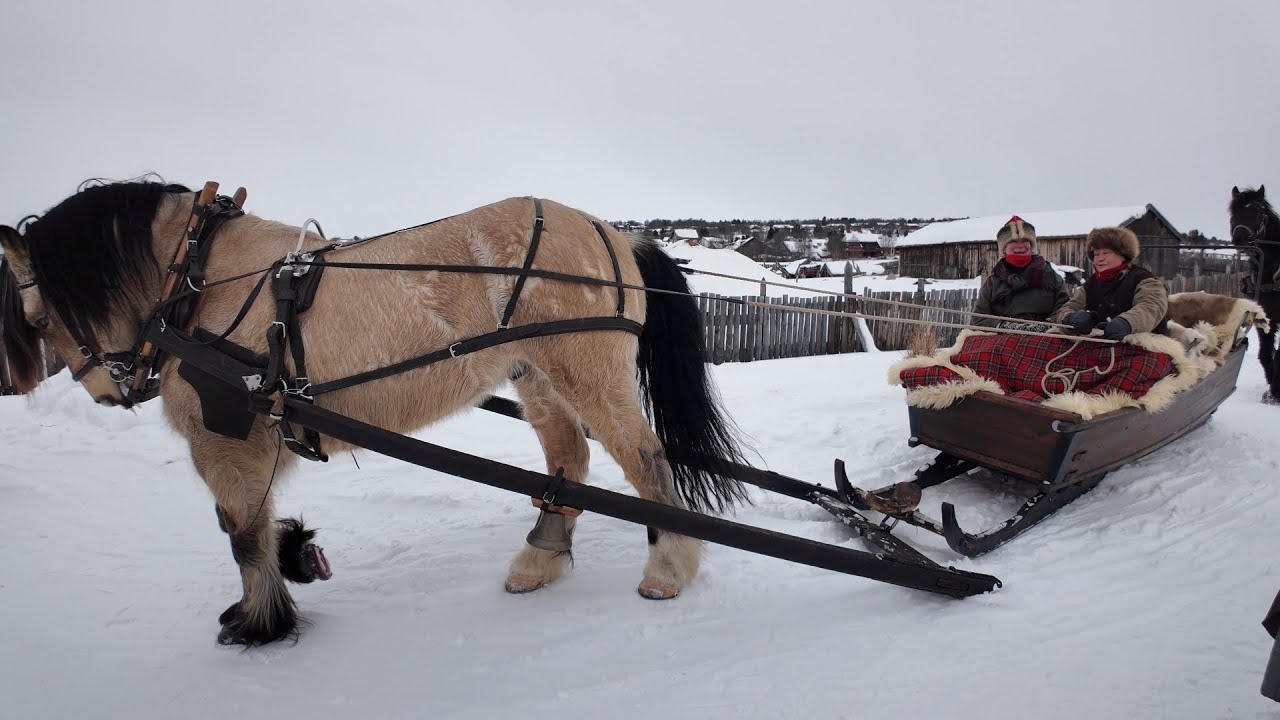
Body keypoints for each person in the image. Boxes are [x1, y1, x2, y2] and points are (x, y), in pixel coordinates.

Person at [1051, 226, 1169, 340]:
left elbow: (1151, 307)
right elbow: (1066, 308)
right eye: (1096, 254)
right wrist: (1071, 318)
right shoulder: (1090, 284)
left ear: (1123, 255)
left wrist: (1126, 322)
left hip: (1141, 344)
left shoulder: (1145, 280)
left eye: (1106, 253)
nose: (1099, 259)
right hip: (1098, 342)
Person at [971, 215, 1069, 329]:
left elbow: (1063, 308)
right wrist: (1006, 326)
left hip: (1045, 336)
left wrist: (1048, 325)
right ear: (1004, 248)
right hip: (1001, 338)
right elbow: (978, 317)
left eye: (1025, 240)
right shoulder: (993, 282)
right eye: (1013, 241)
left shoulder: (1051, 276)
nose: (1020, 245)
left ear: (1031, 245)